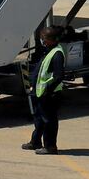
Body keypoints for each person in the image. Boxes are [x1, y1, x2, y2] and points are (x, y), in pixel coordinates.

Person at [21, 26, 65, 155]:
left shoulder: (57, 54)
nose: (42, 41)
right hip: (39, 93)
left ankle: (50, 147)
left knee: (49, 121)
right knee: (39, 120)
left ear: (52, 39)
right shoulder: (49, 51)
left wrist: (47, 91)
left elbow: (58, 76)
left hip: (49, 95)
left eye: (44, 39)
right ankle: (35, 142)